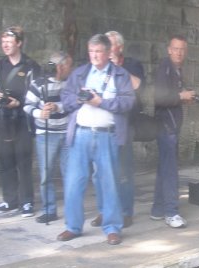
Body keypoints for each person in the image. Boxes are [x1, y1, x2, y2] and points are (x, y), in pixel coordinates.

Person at [57, 34, 135, 245]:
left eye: (98, 51)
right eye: (91, 51)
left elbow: (128, 102)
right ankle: (72, 226)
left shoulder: (120, 75)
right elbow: (65, 98)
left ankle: (112, 227)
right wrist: (80, 99)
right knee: (74, 182)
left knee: (108, 183)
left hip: (106, 136)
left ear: (109, 53)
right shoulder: (80, 73)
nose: (94, 56)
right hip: (80, 134)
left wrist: (100, 101)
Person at [90, 31, 145, 229]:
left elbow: (138, 86)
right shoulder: (98, 67)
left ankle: (125, 211)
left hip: (124, 126)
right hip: (101, 125)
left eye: (109, 44)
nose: (104, 48)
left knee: (123, 172)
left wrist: (117, 67)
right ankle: (104, 211)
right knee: (99, 173)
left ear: (119, 48)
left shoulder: (131, 64)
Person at [0, 26, 40, 217]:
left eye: (9, 42)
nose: (5, 45)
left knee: (23, 161)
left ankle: (27, 202)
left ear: (19, 43)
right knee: (5, 161)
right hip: (4, 119)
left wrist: (19, 102)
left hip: (23, 120)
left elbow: (36, 93)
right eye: (3, 42)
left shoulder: (31, 66)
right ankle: (9, 201)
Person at [150, 35, 195, 228]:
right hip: (166, 126)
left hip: (171, 126)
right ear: (169, 49)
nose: (178, 52)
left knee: (164, 168)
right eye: (175, 49)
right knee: (170, 171)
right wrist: (180, 95)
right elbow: (159, 98)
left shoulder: (176, 69)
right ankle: (171, 212)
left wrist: (184, 97)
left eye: (182, 49)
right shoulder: (165, 68)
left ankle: (158, 209)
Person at [24, 51, 73, 223]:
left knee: (70, 174)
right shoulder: (38, 84)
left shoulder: (70, 83)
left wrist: (57, 107)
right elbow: (27, 106)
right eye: (68, 65)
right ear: (59, 67)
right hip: (46, 135)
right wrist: (39, 112)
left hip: (67, 133)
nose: (71, 68)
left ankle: (71, 210)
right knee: (46, 174)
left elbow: (73, 104)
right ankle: (49, 209)